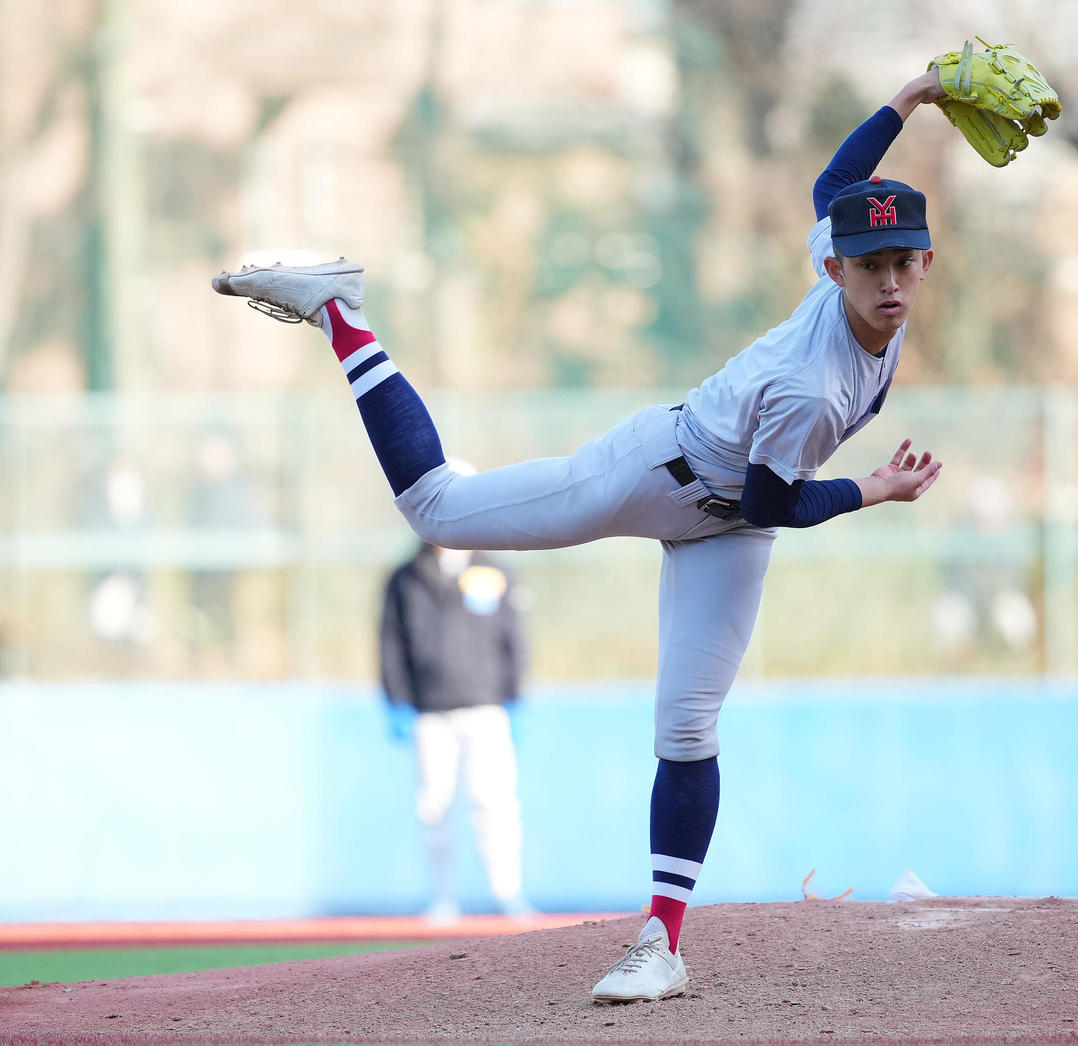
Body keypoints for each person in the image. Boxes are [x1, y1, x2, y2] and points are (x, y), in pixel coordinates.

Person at [213, 66, 947, 1004]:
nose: (886, 281)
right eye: (868, 264)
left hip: (730, 524)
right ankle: (341, 310)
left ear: (924, 262)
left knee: (686, 729)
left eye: (901, 262)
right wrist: (872, 491)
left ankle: (659, 943)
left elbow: (830, 188)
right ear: (834, 267)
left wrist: (915, 96)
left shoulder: (854, 281)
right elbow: (775, 502)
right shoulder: (813, 382)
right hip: (660, 471)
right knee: (435, 511)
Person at [380, 521, 533, 923]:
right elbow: (391, 644)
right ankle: (443, 899)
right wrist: (397, 701)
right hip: (430, 710)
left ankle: (508, 895)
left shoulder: (495, 572)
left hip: (486, 708)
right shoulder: (406, 577)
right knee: (434, 806)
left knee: (495, 803)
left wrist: (513, 697)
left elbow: (513, 638)